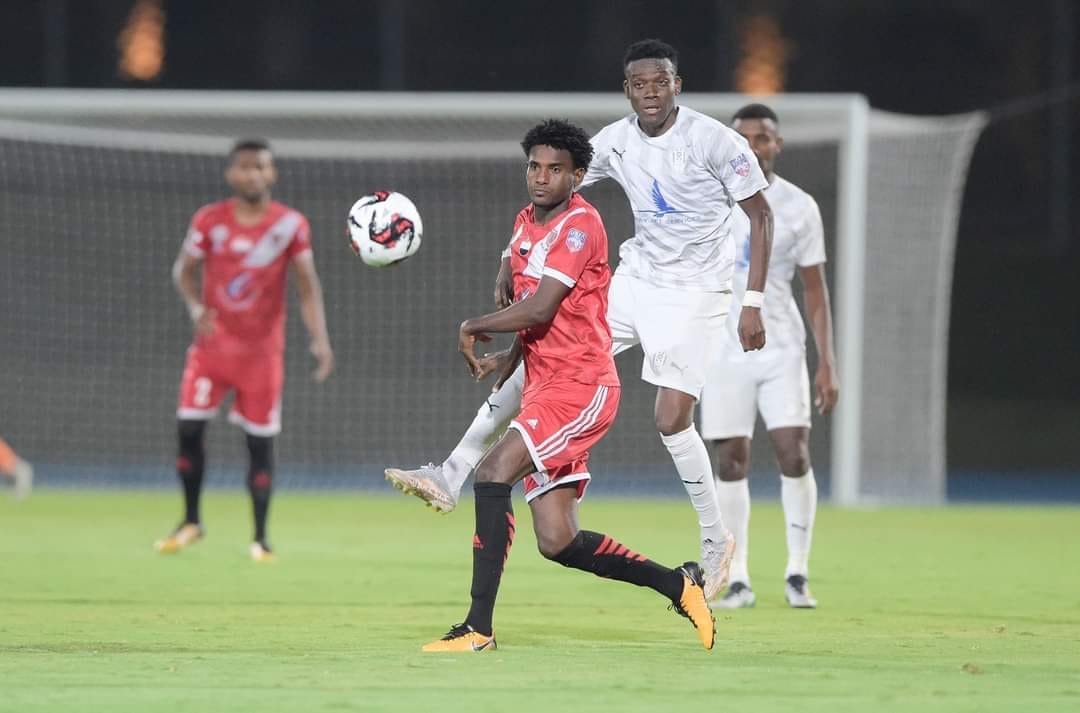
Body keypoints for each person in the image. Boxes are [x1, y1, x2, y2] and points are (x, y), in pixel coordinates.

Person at [387, 39, 773, 600]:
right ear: (626, 89)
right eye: (639, 84)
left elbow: (761, 215)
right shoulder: (616, 140)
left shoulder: (716, 141)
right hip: (636, 280)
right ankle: (449, 471)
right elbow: (553, 188)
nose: (650, 93)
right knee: (543, 356)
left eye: (660, 82)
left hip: (696, 293)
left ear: (677, 85)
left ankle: (716, 540)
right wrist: (508, 254)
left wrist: (752, 301)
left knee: (670, 419)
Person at [423, 119, 714, 653]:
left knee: (492, 473)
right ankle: (679, 585)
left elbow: (540, 307)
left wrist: (472, 325)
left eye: (555, 169)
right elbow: (537, 317)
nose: (541, 177)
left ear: (578, 176)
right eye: (534, 166)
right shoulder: (524, 222)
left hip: (581, 388)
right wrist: (509, 357)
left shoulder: (581, 225)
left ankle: (478, 629)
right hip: (545, 388)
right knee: (558, 540)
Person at [155, 138, 334, 562]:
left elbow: (307, 286)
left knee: (259, 444)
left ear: (272, 174)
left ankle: (260, 539)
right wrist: (195, 307)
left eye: (260, 167)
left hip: (261, 355)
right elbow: (183, 271)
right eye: (245, 166)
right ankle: (191, 521)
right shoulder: (209, 220)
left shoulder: (289, 225)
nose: (252, 174)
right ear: (231, 173)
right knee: (188, 429)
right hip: (211, 350)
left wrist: (320, 339)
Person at [701, 104, 839, 609]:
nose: (753, 146)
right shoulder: (708, 200)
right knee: (730, 460)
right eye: (743, 138)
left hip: (781, 348)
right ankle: (737, 578)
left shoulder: (799, 206)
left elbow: (815, 288)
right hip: (722, 350)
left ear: (777, 145)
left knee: (793, 452)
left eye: (762, 137)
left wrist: (827, 361)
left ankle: (797, 571)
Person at [0, 436, 33, 500]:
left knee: (26, 469)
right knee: (25, 471)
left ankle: (18, 493)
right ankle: (18, 495)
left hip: (12, 464)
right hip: (10, 466)